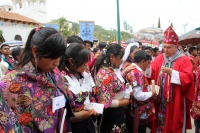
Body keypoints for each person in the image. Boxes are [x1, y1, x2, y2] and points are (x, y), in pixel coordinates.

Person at [1, 27, 74, 132]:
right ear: (35, 51)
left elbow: (63, 107)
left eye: (60, 57)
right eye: (53, 57)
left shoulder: (55, 74)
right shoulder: (10, 83)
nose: (57, 63)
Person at [146, 26, 194, 133]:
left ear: (176, 46)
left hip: (175, 98)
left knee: (174, 123)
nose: (165, 50)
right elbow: (151, 72)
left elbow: (188, 78)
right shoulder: (160, 58)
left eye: (168, 47)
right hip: (160, 99)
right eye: (164, 47)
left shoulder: (184, 59)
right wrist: (145, 68)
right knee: (159, 124)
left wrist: (172, 72)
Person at [58, 43, 98, 133]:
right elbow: (61, 112)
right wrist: (80, 115)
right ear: (71, 61)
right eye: (84, 63)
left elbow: (89, 95)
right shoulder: (61, 79)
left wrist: (93, 106)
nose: (87, 65)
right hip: (72, 126)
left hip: (87, 122)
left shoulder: (83, 75)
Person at [94, 44, 130, 133]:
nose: (122, 61)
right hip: (111, 114)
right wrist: (122, 103)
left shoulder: (113, 69)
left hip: (117, 112)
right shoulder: (105, 74)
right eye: (120, 58)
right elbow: (104, 101)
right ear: (112, 56)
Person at [126, 50, 156, 133]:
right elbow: (138, 95)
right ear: (143, 61)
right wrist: (151, 93)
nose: (149, 65)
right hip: (138, 110)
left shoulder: (132, 69)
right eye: (148, 62)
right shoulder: (137, 73)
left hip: (133, 110)